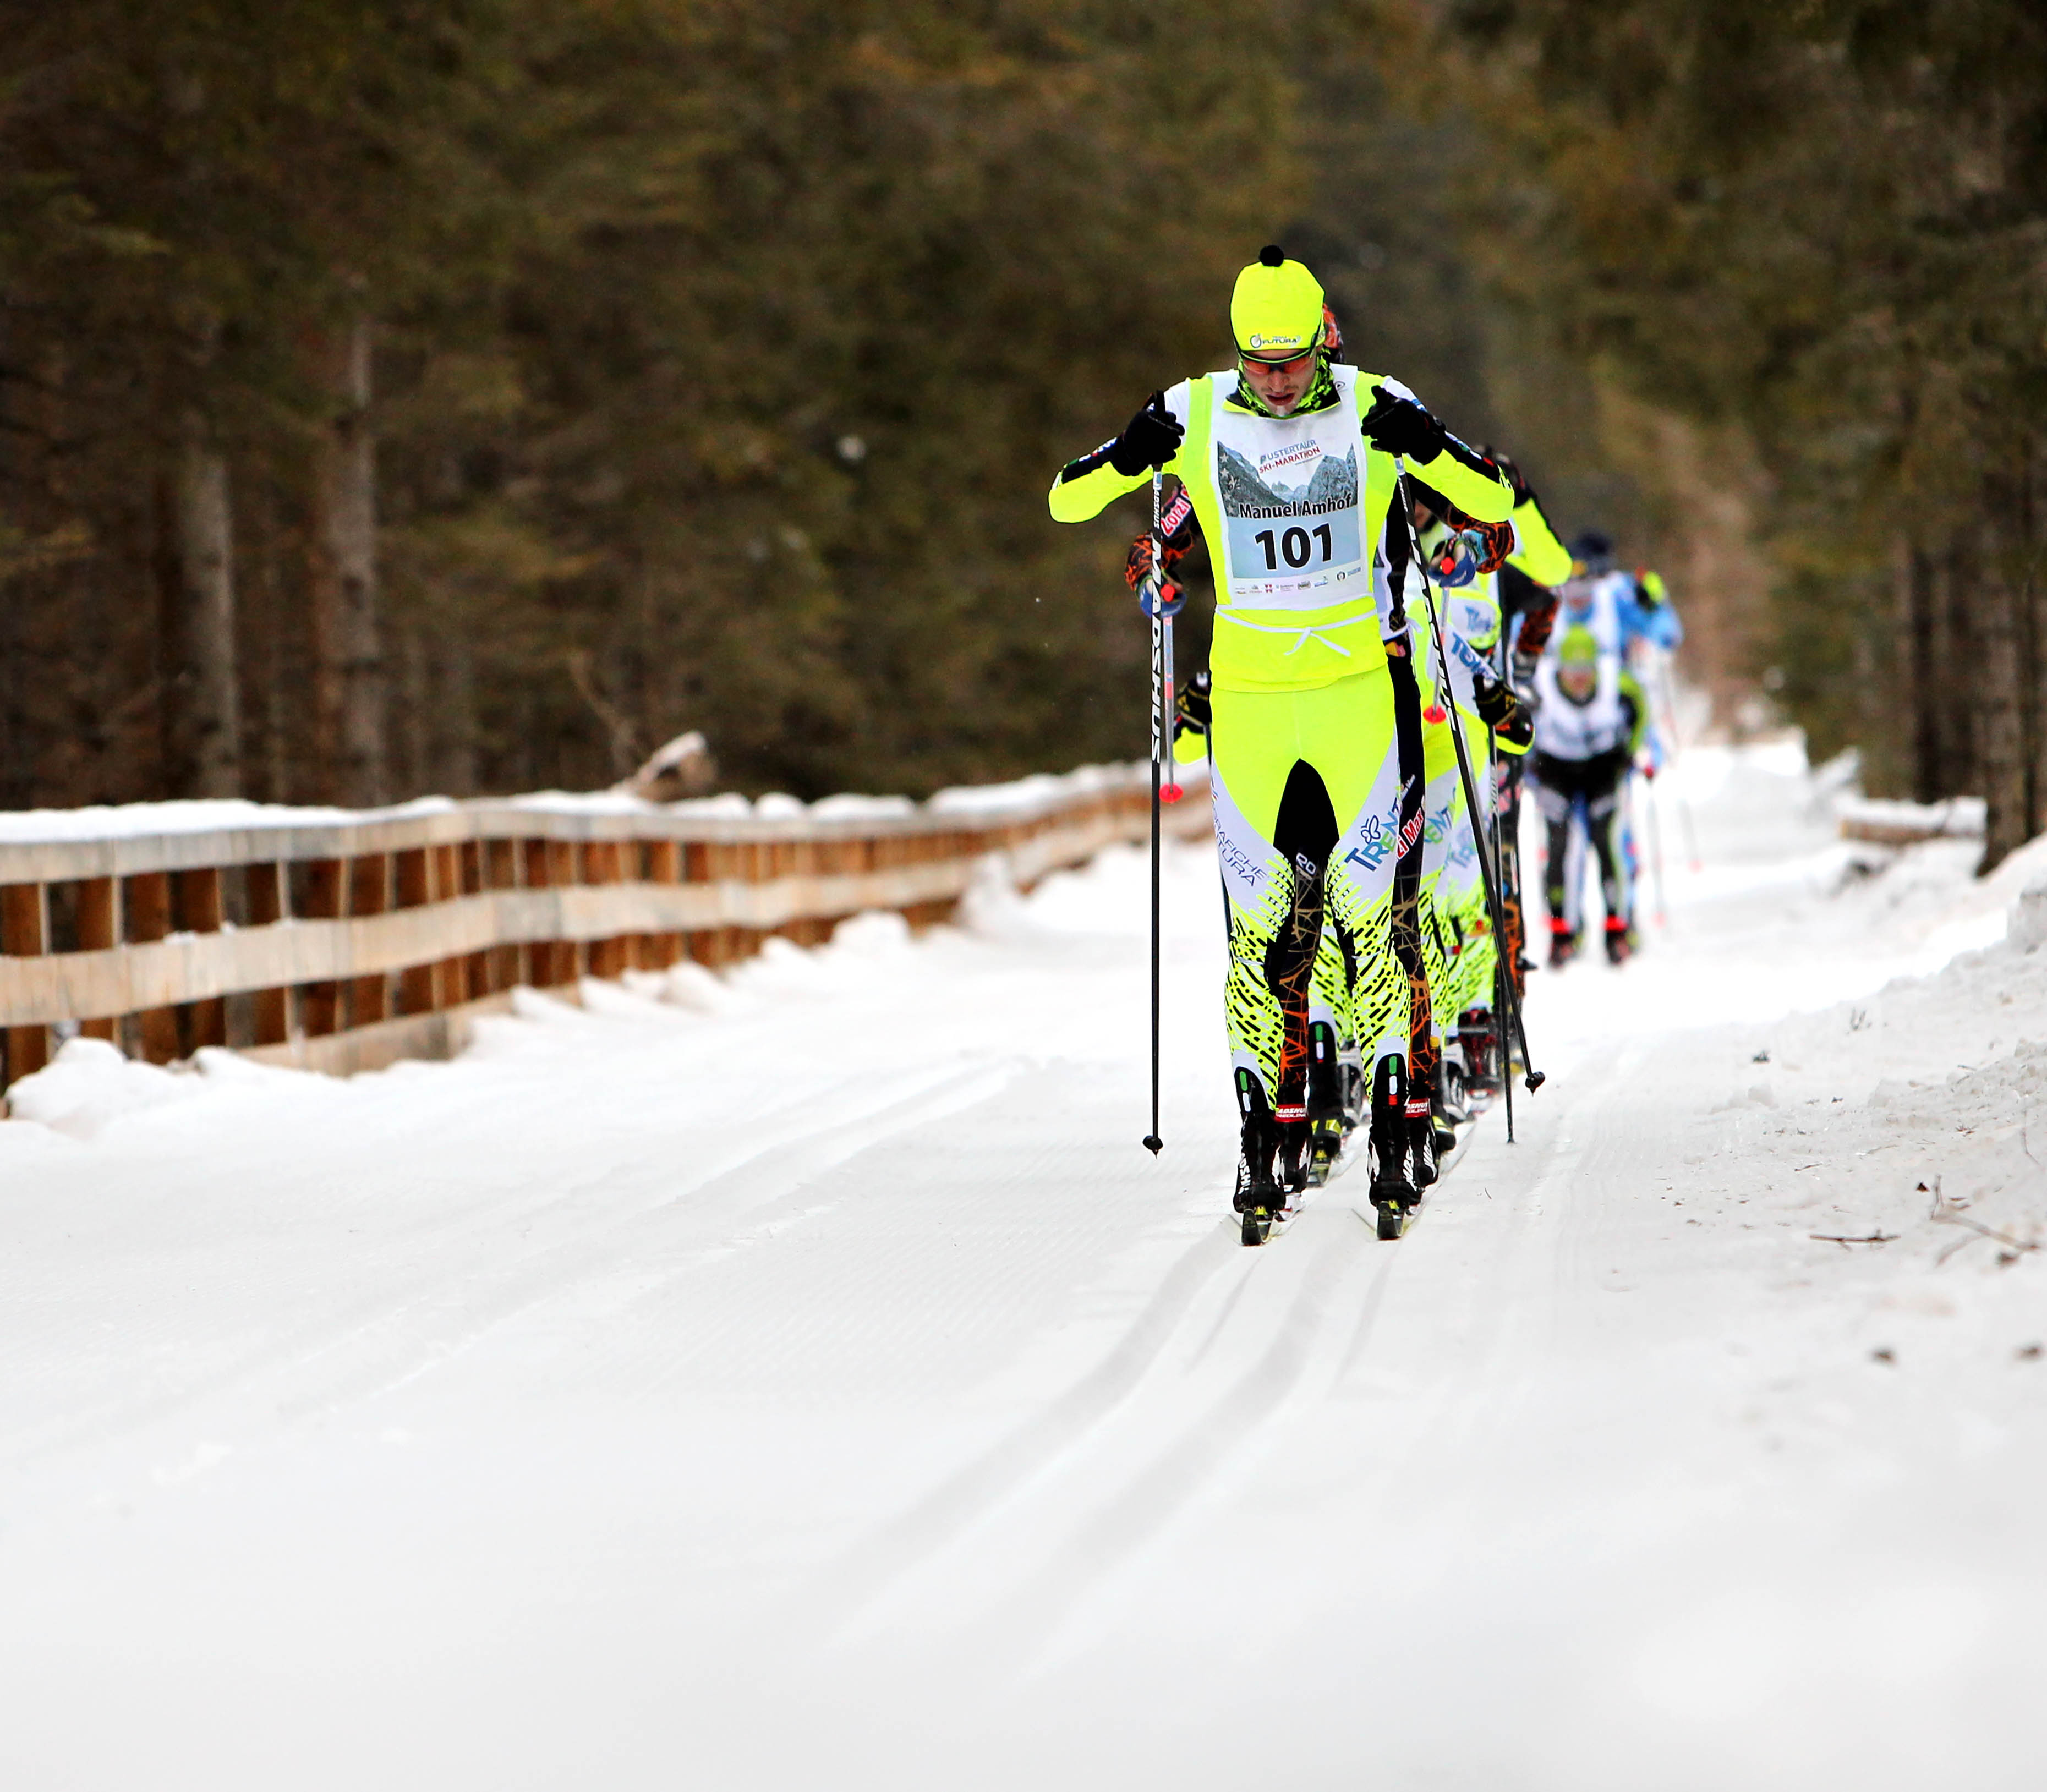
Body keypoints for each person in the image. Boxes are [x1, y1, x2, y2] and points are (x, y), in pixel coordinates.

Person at [1050, 246, 1512, 1232]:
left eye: (1293, 361)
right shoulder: (1194, 412)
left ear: (1320, 342)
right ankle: (1262, 1141)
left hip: (1359, 701)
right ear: (1237, 352)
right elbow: (1067, 495)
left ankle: (1397, 1120)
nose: (1277, 382)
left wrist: (1427, 443)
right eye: (1259, 364)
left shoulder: (1375, 400)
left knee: (1372, 924)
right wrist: (1128, 460)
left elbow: (1496, 500)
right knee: (1259, 941)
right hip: (1254, 709)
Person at [1529, 624, 1648, 966]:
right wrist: (1528, 764)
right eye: (1572, 671)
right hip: (1556, 771)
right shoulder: (1542, 688)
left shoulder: (1617, 683)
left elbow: (1642, 710)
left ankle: (1617, 928)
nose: (1579, 678)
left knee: (1607, 842)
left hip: (1602, 770)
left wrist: (1633, 751)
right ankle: (1563, 931)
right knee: (1559, 847)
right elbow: (1520, 722)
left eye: (1586, 670)